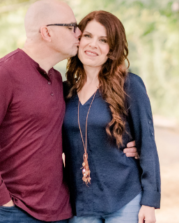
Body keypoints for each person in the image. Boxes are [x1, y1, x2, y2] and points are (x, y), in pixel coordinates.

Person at [0, 2, 137, 222]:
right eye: (71, 27)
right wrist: (1, 199)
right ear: (46, 32)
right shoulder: (3, 74)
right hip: (13, 211)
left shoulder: (57, 80)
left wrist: (129, 145)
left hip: (58, 212)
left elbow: (78, 131)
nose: (79, 33)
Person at [62, 10, 160, 223]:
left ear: (112, 49)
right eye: (88, 36)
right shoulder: (64, 91)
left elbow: (147, 144)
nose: (93, 45)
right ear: (78, 40)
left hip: (124, 199)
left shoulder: (130, 86)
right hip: (80, 203)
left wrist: (149, 202)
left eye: (103, 40)